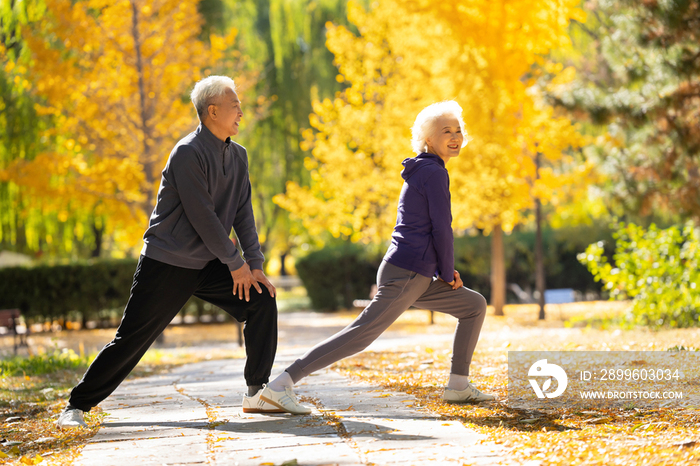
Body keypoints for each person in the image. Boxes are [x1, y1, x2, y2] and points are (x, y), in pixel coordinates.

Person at [58, 76, 282, 428]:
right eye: (234, 104)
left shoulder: (238, 156)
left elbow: (243, 213)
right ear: (212, 111)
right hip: (167, 262)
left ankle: (257, 392)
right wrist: (236, 264)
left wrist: (253, 265)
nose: (241, 110)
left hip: (209, 262)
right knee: (132, 338)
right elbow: (203, 217)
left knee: (261, 299)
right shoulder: (188, 152)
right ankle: (76, 406)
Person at [260, 101, 494, 414]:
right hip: (408, 274)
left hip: (413, 274)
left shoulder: (425, 170)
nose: (455, 136)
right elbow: (442, 230)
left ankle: (458, 385)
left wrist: (442, 272)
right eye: (445, 131)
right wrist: (449, 272)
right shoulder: (433, 174)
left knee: (473, 305)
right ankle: (280, 385)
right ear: (428, 139)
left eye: (458, 130)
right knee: (360, 336)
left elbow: (434, 229)